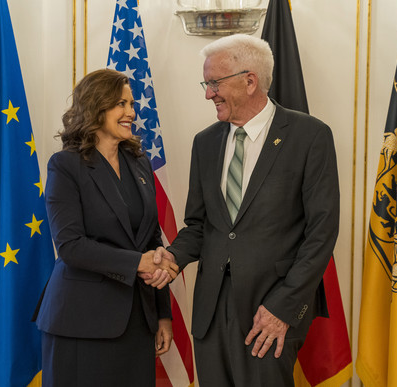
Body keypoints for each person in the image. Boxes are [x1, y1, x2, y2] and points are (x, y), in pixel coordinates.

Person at [143, 34, 339, 386]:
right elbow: (200, 225)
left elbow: (321, 232)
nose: (207, 93)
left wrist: (283, 306)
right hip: (211, 311)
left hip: (271, 306)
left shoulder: (309, 136)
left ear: (250, 81)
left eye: (214, 82)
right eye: (206, 83)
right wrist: (172, 259)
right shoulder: (205, 142)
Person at [34, 69, 179, 387]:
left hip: (137, 324)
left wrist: (163, 315)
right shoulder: (66, 165)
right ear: (95, 107)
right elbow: (70, 245)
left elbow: (151, 241)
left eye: (131, 103)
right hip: (81, 323)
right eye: (120, 104)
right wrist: (136, 263)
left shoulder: (138, 163)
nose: (131, 112)